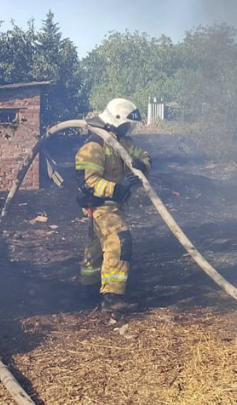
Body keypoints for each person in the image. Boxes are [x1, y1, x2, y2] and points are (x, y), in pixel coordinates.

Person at [75, 98, 151, 312]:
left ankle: (90, 290)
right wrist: (118, 188)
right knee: (119, 242)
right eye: (128, 124)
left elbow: (144, 156)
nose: (130, 128)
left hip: (114, 205)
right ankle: (112, 298)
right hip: (100, 206)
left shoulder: (123, 143)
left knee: (96, 248)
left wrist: (141, 165)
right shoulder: (94, 146)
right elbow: (88, 183)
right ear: (116, 121)